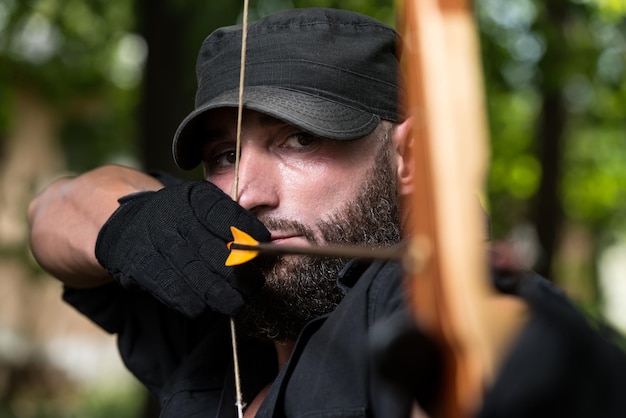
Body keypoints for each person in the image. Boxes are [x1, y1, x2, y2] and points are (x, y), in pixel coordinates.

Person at [27, 7, 626, 418]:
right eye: (225, 154)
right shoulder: (215, 308)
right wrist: (136, 222)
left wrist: (512, 342)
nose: (246, 193)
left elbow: (509, 349)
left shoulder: (398, 301)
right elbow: (52, 209)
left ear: (408, 158)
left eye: (299, 141)